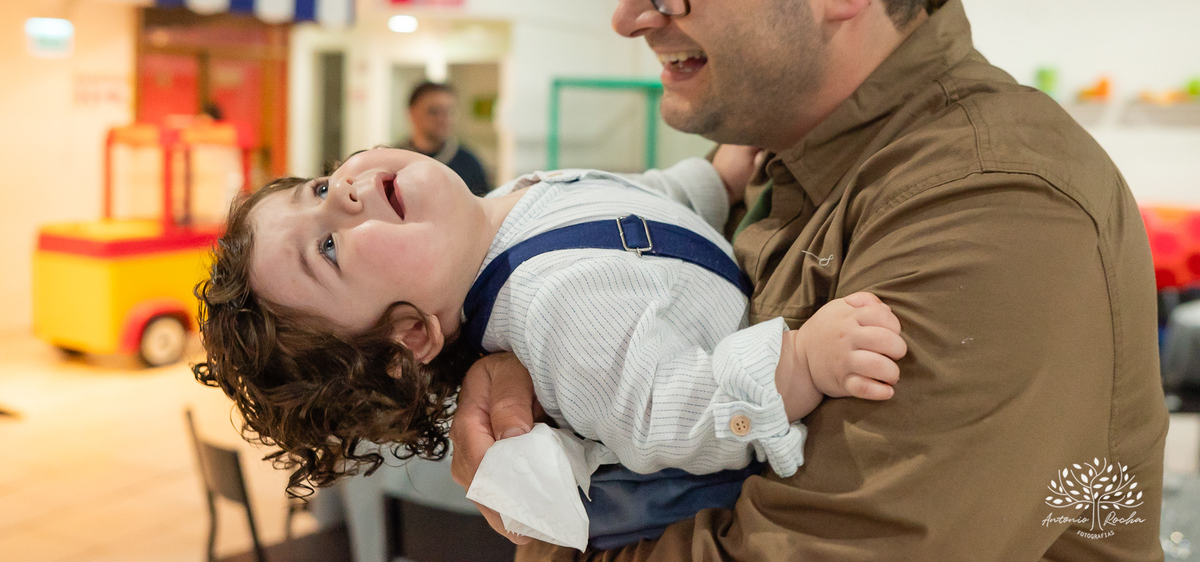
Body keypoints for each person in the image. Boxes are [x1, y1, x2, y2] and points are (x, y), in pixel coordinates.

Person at [447, 0, 1167, 559]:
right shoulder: (782, 157)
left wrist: (550, 520)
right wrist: (539, 379)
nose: (629, 14)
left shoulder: (993, 205)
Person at [192, 145, 907, 548]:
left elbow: (636, 198)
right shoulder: (551, 310)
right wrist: (803, 362)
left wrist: (711, 180)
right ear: (411, 336)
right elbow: (675, 414)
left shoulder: (506, 204)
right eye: (327, 247)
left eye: (318, 185)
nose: (343, 196)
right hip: (784, 421)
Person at [399, 81, 491, 195]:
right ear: (412, 112)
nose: (444, 119)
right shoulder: (395, 160)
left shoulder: (469, 164)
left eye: (449, 111)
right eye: (434, 111)